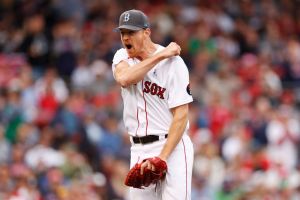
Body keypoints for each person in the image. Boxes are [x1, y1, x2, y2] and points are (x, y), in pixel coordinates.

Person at [112, 9, 194, 200]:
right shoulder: (121, 57)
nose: (125, 38)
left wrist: (162, 157)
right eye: (123, 33)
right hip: (139, 148)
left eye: (131, 32)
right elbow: (125, 78)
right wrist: (161, 55)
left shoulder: (174, 63)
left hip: (171, 146)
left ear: (146, 32)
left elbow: (181, 116)